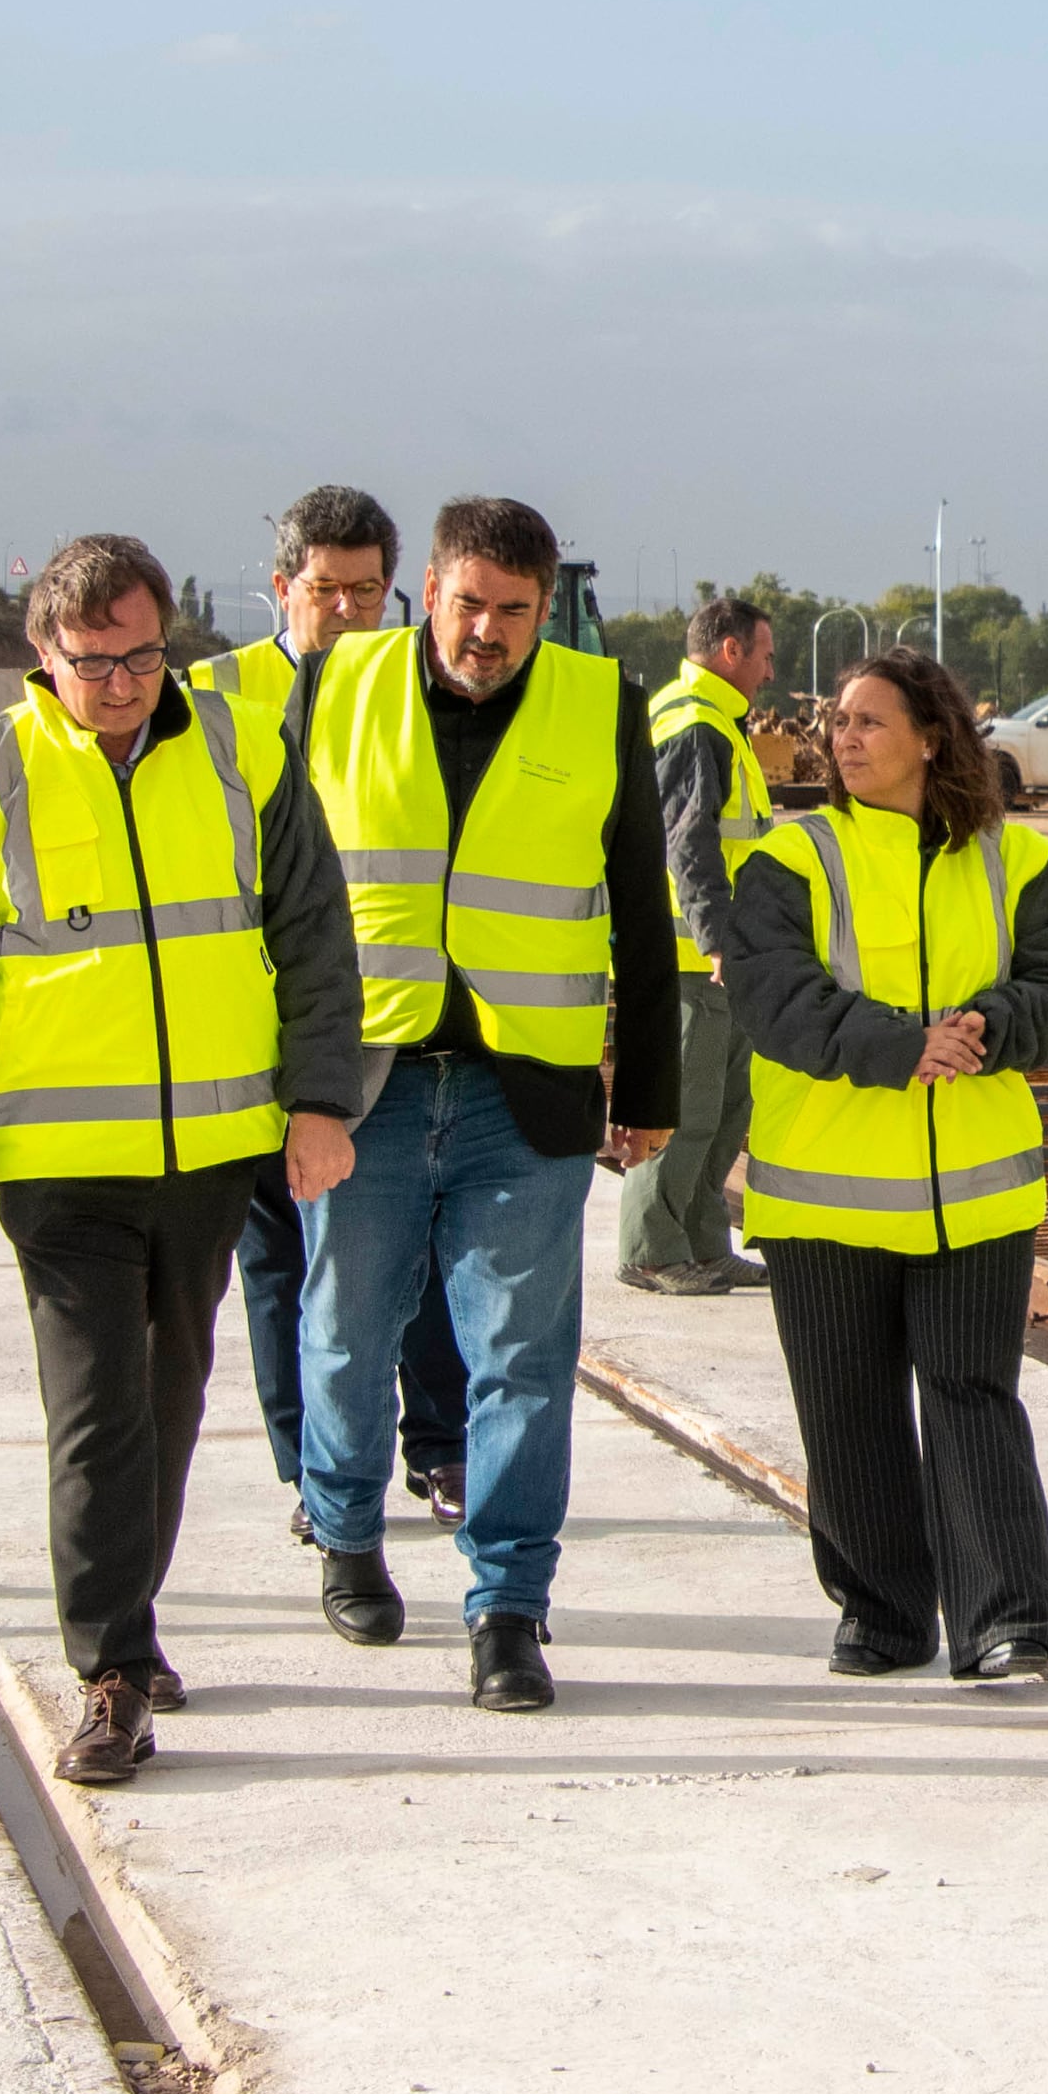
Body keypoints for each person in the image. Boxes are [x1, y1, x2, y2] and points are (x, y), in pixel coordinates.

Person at [0, 535, 362, 1787]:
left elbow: (314, 938)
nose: (125, 682)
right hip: (60, 1166)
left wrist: (318, 1101)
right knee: (96, 1413)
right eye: (96, 662)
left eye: (146, 655)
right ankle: (107, 1670)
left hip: (209, 1151)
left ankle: (127, 1636)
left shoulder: (243, 750)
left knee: (167, 1403)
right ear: (44, 653)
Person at [292, 498, 675, 1710]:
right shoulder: (336, 684)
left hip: (530, 1093)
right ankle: (346, 1530)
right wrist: (288, 1083)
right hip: (369, 1083)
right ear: (431, 591)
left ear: (544, 606)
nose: (490, 632)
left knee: (523, 1356)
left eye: (515, 611)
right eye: (469, 603)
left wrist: (650, 1090)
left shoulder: (596, 700)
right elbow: (286, 897)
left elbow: (640, 906)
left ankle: (508, 1604)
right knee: (349, 1332)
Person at [720, 647, 1048, 1674]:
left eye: (868, 720)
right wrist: (898, 1044)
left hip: (976, 1190)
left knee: (972, 1393)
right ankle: (880, 1613)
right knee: (848, 1407)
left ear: (932, 736)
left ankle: (1004, 1616)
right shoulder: (792, 858)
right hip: (823, 1190)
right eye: (838, 719)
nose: (841, 736)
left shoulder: (1016, 861)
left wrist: (984, 1025)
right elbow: (771, 995)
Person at [187, 486, 469, 1527]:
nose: (347, 609)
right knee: (276, 1256)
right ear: (280, 586)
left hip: (388, 1023)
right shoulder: (210, 695)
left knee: (419, 1249)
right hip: (254, 1020)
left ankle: (438, 1445)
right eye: (324, 589)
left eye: (366, 590)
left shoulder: (425, 687)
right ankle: (306, 1464)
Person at [619, 588, 781, 1299]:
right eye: (765, 656)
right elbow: (691, 843)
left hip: (725, 958)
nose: (770, 672)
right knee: (685, 1110)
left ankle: (703, 1244)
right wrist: (716, 940)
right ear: (730, 650)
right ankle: (651, 1251)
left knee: (723, 1111)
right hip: (694, 961)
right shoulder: (693, 724)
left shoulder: (717, 721)